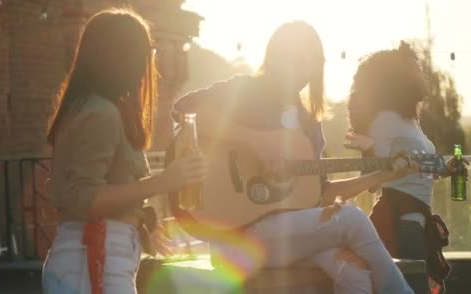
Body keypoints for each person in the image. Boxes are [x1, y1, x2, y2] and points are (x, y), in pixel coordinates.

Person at [172, 21, 415, 294]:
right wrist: (253, 141)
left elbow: (319, 194)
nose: (302, 71)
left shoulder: (307, 123)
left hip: (286, 238)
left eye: (310, 65)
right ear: (274, 56)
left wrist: (381, 175)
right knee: (353, 219)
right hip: (236, 237)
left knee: (354, 273)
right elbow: (184, 110)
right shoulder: (245, 90)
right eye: (295, 61)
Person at [41, 8, 207, 294]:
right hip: (92, 259)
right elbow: (84, 198)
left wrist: (144, 223)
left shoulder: (93, 107)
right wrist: (163, 181)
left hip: (93, 257)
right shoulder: (101, 113)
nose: (147, 66)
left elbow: (108, 189)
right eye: (145, 54)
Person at [346, 42, 458, 292]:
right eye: (413, 67)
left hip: (416, 219)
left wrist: (444, 168)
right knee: (413, 287)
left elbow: (415, 163)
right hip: (402, 221)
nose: (421, 72)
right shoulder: (385, 121)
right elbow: (377, 177)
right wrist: (370, 149)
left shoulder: (409, 119)